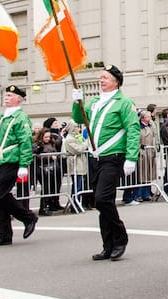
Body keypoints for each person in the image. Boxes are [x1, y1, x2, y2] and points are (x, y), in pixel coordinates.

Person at [72, 65, 139, 260]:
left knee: (102, 199)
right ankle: (107, 245)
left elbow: (133, 130)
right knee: (102, 203)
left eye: (106, 78)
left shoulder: (124, 102)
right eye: (101, 77)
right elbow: (79, 118)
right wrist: (77, 102)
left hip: (113, 156)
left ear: (116, 81)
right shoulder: (94, 102)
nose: (101, 80)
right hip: (95, 157)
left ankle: (120, 237)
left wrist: (131, 157)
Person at [0, 85, 38, 247]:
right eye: (6, 95)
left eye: (10, 95)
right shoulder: (2, 117)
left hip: (12, 160)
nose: (6, 97)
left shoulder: (21, 118)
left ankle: (28, 217)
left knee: (1, 195)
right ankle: (3, 234)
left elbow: (25, 142)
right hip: (0, 160)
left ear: (19, 99)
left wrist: (24, 164)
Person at [34, 118, 64, 216]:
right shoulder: (38, 145)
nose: (47, 138)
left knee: (52, 186)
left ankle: (51, 204)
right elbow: (36, 156)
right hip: (42, 168)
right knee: (46, 188)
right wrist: (50, 157)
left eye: (48, 137)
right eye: (45, 137)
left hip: (52, 168)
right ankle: (43, 207)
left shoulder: (52, 143)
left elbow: (57, 147)